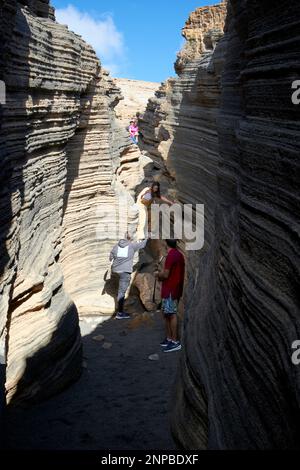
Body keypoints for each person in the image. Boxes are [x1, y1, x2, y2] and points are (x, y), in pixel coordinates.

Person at [155, 239, 185, 352]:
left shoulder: (171, 255)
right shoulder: (179, 255)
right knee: (166, 314)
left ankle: (175, 341)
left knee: (171, 314)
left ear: (166, 244)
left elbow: (166, 275)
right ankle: (169, 338)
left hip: (170, 290)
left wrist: (157, 274)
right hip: (172, 289)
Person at [110, 232, 147, 319]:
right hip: (124, 271)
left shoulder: (116, 246)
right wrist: (148, 237)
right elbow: (143, 244)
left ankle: (119, 306)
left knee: (120, 288)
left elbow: (110, 257)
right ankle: (120, 313)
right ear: (131, 239)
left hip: (115, 270)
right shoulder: (132, 246)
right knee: (121, 292)